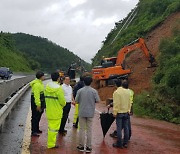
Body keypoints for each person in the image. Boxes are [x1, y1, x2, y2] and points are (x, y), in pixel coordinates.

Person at [76, 76, 100, 153]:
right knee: (89, 130)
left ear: (84, 82)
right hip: (90, 112)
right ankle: (89, 146)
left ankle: (81, 146)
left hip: (82, 112)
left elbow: (76, 101)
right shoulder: (94, 91)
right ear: (91, 82)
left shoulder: (80, 91)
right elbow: (98, 100)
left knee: (82, 129)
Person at [45, 72, 66, 148]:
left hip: (49, 110)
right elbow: (62, 101)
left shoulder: (47, 86)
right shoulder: (59, 88)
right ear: (58, 78)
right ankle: (51, 144)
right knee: (54, 129)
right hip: (56, 111)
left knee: (50, 127)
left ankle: (50, 142)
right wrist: (64, 104)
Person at [112, 79, 131, 148]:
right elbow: (129, 102)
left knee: (119, 128)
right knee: (126, 127)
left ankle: (119, 143)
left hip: (120, 112)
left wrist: (115, 112)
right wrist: (129, 110)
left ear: (116, 84)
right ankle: (125, 142)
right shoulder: (127, 91)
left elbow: (116, 103)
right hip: (126, 112)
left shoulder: (116, 92)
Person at [30, 71, 45, 136]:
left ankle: (36, 129)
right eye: (43, 76)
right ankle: (34, 131)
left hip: (40, 102)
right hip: (36, 103)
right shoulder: (37, 85)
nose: (44, 77)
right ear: (41, 77)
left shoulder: (40, 83)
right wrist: (38, 104)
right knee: (35, 116)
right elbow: (36, 96)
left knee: (38, 116)